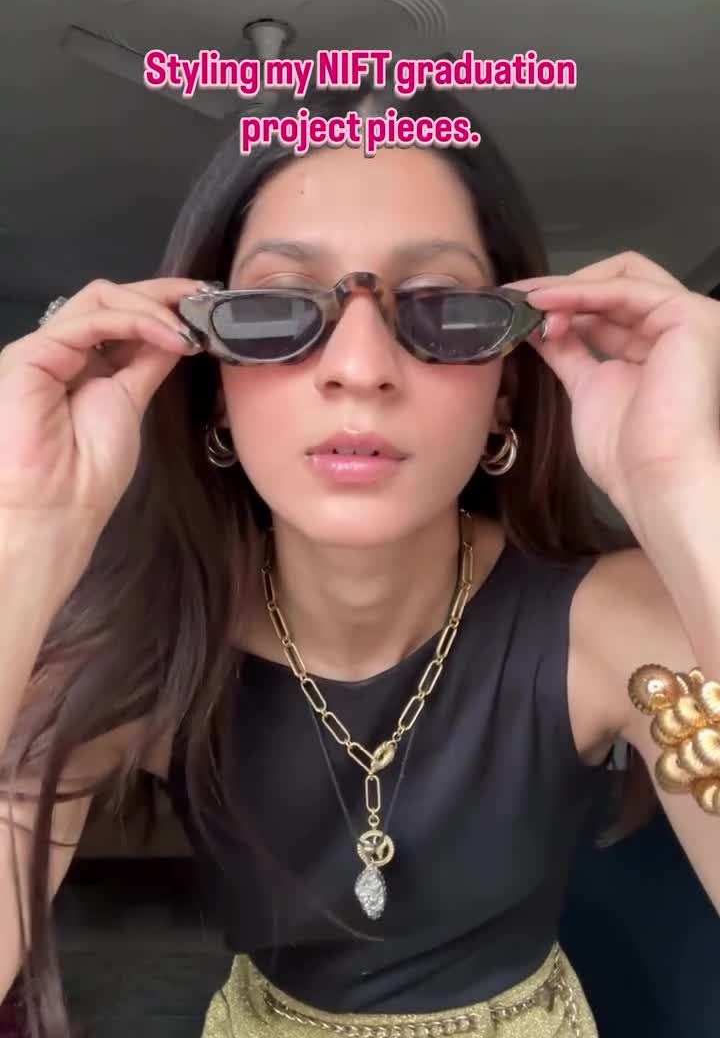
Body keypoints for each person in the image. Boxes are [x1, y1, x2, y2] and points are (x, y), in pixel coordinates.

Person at [0, 82, 718, 1038]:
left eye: (439, 305)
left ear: (504, 392)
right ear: (216, 390)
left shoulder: (618, 627)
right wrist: (25, 528)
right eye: (277, 307)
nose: (361, 368)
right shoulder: (143, 643)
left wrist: (684, 487)